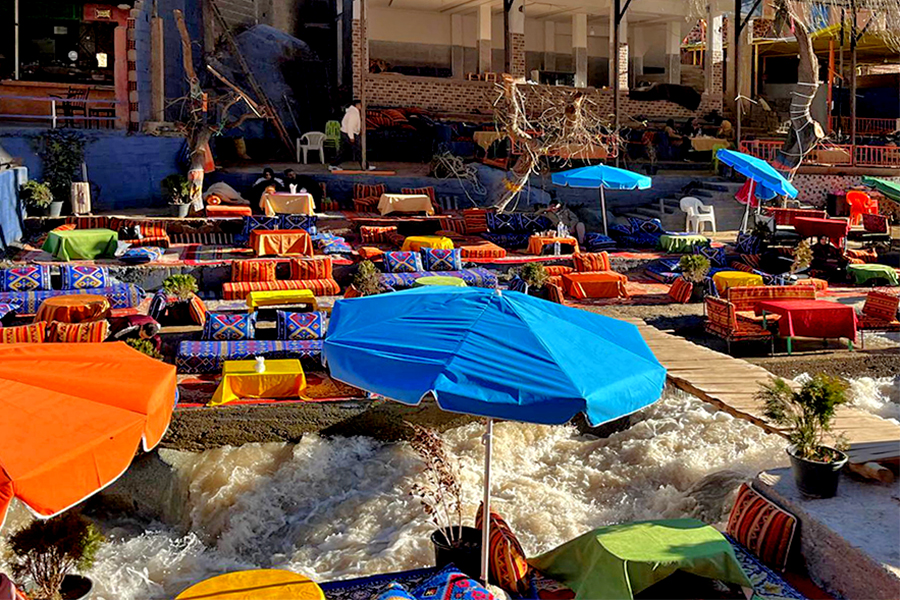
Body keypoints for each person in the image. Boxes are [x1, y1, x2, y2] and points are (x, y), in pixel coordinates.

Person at [329, 100, 375, 171]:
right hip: (349, 133)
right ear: (357, 105)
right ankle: (365, 166)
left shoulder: (354, 112)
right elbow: (350, 125)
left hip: (348, 133)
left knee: (346, 151)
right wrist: (351, 137)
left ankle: (333, 164)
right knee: (357, 150)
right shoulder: (353, 113)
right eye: (360, 105)